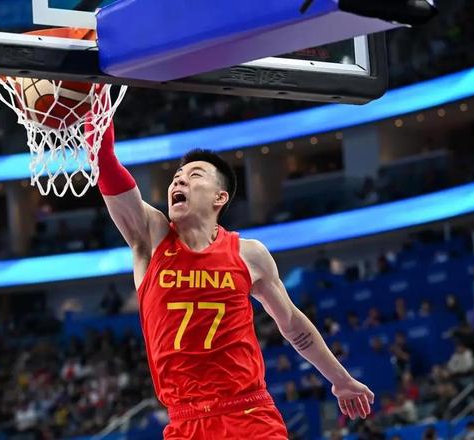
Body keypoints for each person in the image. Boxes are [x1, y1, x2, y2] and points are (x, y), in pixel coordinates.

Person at [94, 121, 374, 439]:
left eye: (194, 175)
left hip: (249, 414)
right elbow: (107, 166)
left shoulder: (248, 254)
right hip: (186, 422)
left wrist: (340, 379)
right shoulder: (152, 237)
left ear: (220, 197)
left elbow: (292, 324)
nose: (179, 181)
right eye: (176, 178)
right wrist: (97, 119)